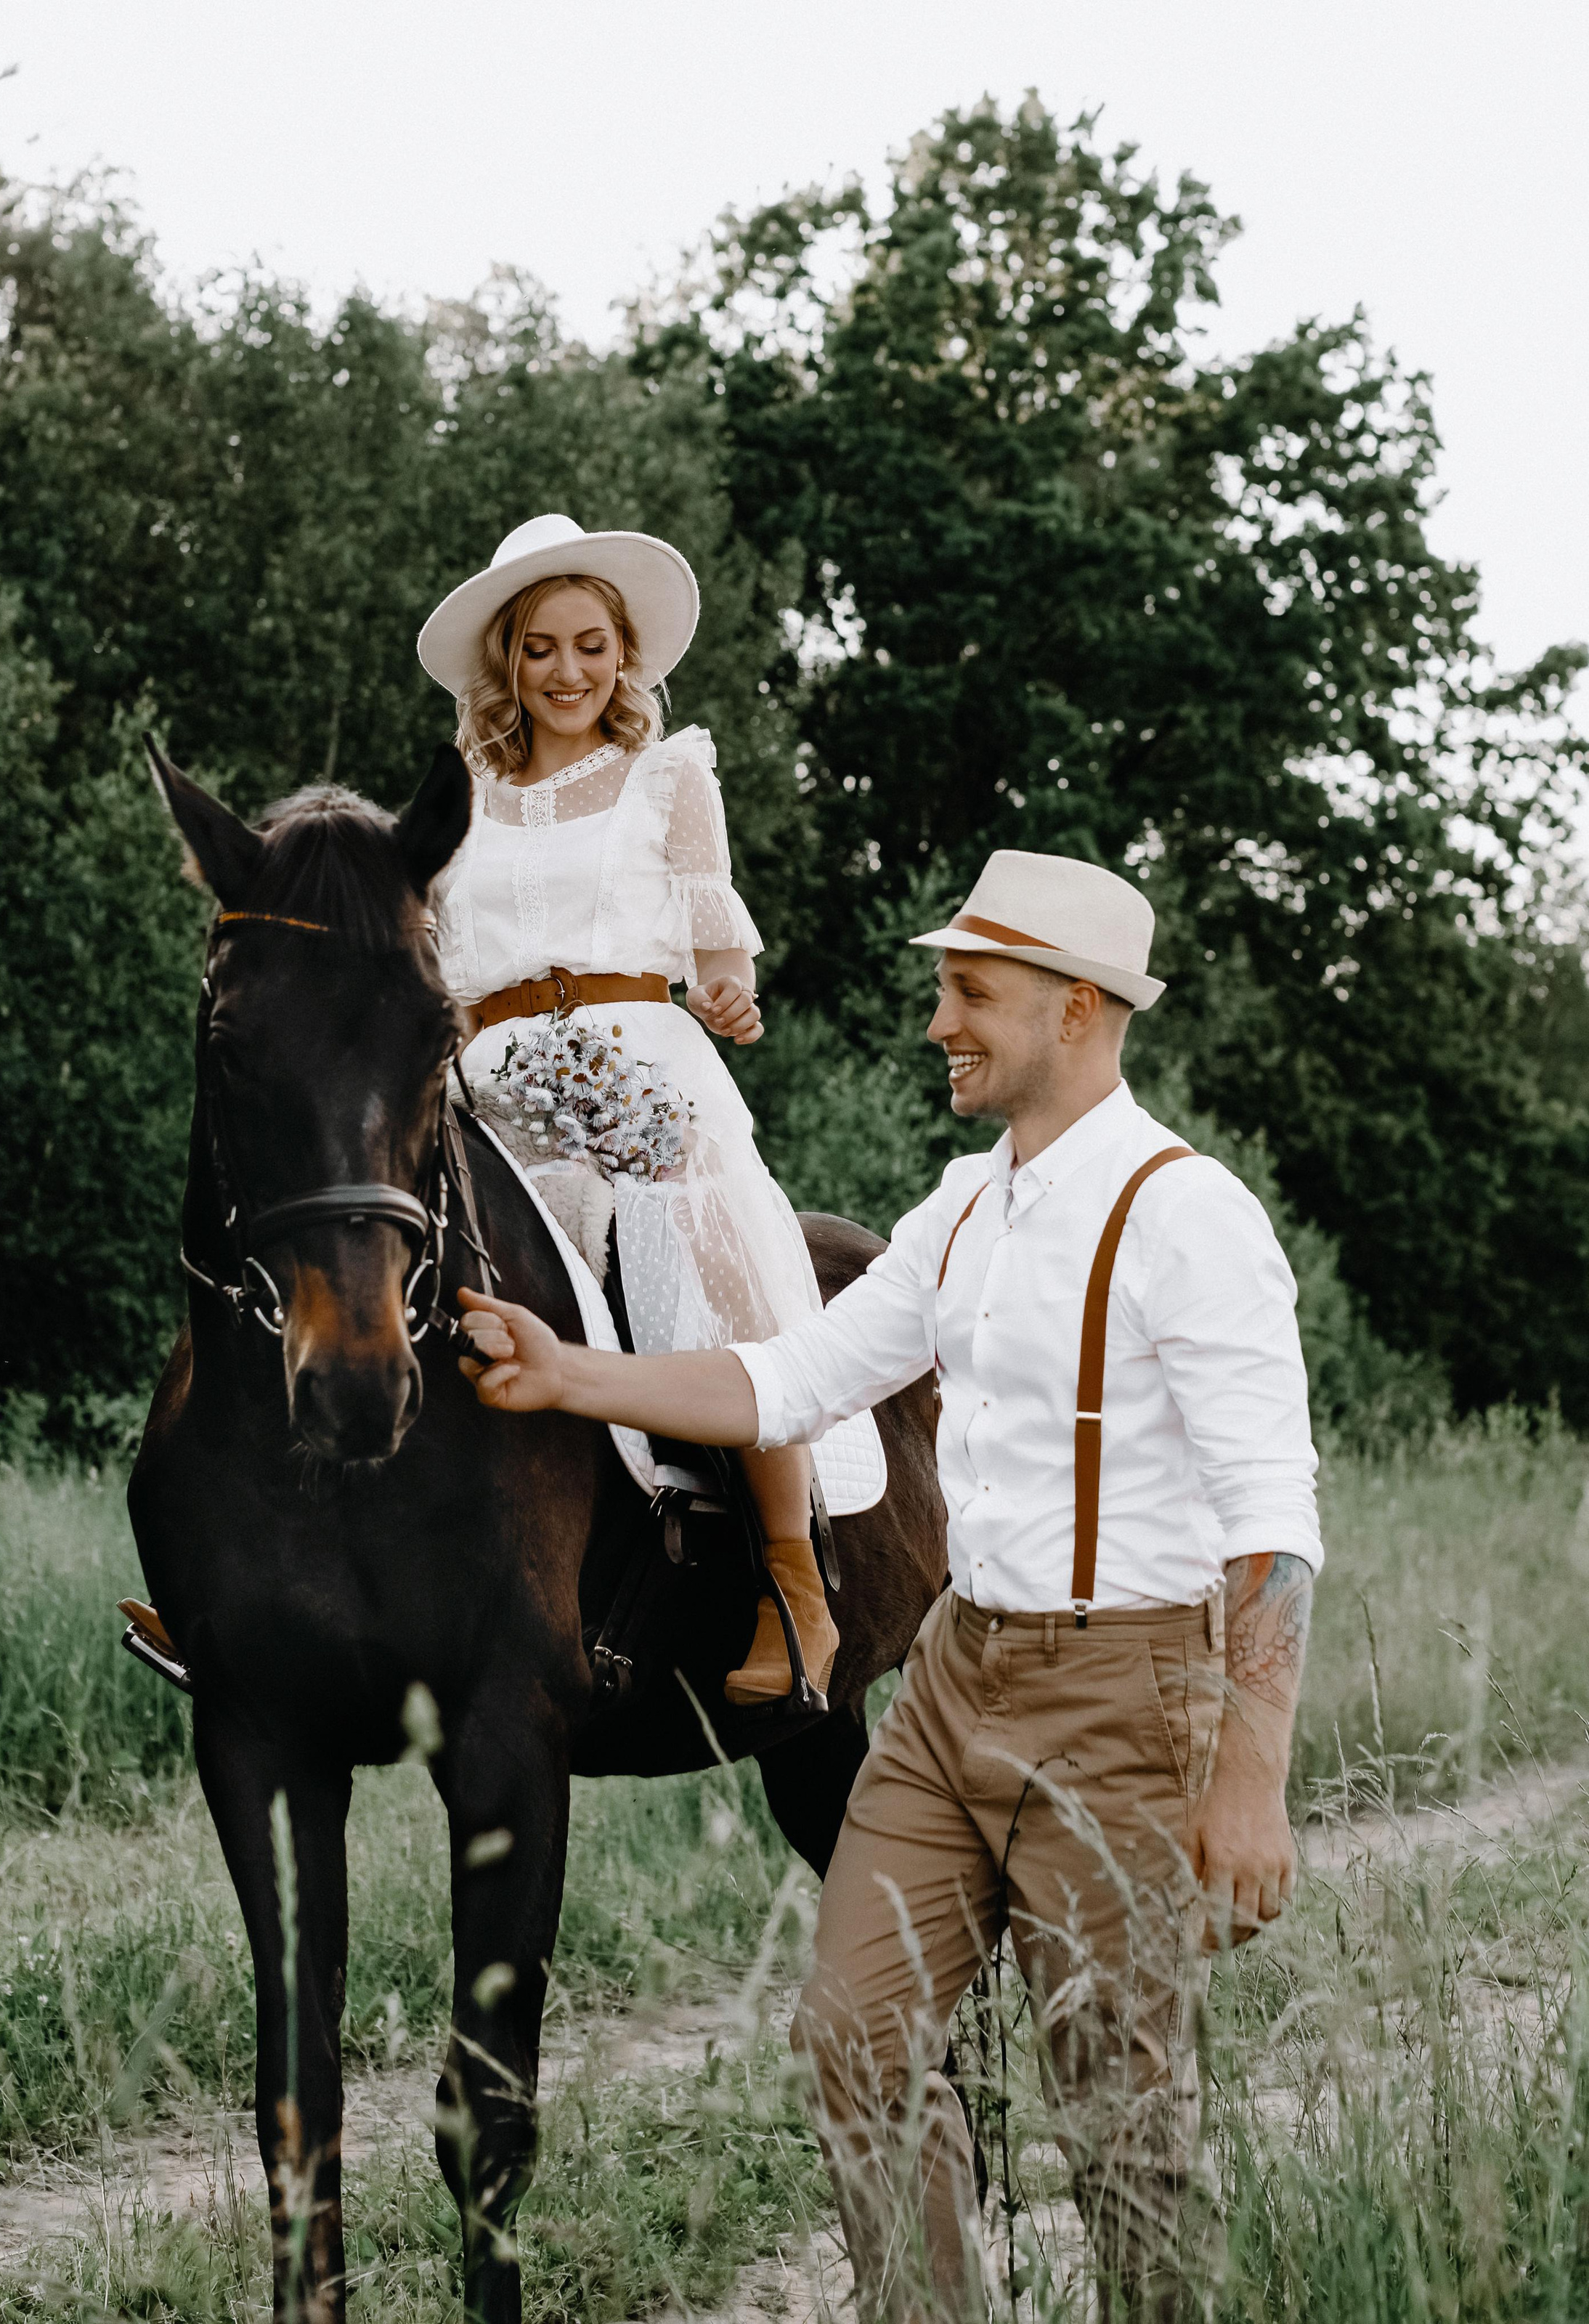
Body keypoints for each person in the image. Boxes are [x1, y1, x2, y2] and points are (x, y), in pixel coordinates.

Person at [455, 848, 1322, 2321]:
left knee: (1115, 2114)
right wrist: (567, 1373)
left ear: (1075, 1008)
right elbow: (790, 1373)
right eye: (941, 987)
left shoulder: (1190, 1218)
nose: (937, 1020)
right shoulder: (959, 1210)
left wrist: (1249, 1772)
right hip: (950, 1686)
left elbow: (1270, 1523)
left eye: (969, 991)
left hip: (1120, 1694)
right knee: (852, 2037)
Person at [417, 511, 840, 1707]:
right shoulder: (461, 794)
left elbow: (721, 953)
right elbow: (433, 963)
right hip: (490, 1068)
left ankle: (792, 1580)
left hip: (633, 1056)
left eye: (590, 644)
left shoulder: (670, 774)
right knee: (367, 1236)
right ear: (508, 660)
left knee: (680, 1237)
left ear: (625, 652)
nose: (566, 671)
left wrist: (731, 998)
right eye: (540, 648)